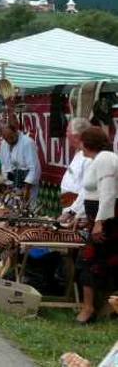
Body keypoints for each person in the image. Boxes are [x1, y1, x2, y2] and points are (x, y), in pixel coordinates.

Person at [76, 126, 118, 324]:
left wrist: (100, 222)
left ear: (88, 143)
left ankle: (90, 308)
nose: (79, 146)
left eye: (81, 141)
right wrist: (81, 215)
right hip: (98, 219)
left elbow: (108, 193)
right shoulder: (96, 160)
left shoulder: (105, 159)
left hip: (108, 221)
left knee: (91, 261)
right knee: (95, 262)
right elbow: (91, 194)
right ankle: (96, 308)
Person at [58, 118, 92, 223]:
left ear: (77, 135)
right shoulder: (79, 153)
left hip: (79, 213)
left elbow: (87, 189)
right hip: (69, 207)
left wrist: (72, 212)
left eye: (68, 131)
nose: (66, 134)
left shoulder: (89, 157)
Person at [0, 122, 41, 204]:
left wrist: (26, 189)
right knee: (11, 210)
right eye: (6, 139)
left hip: (28, 185)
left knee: (27, 210)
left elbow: (34, 168)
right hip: (13, 184)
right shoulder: (4, 144)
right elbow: (4, 165)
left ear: (15, 131)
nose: (9, 141)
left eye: (11, 137)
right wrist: (8, 185)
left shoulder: (27, 142)